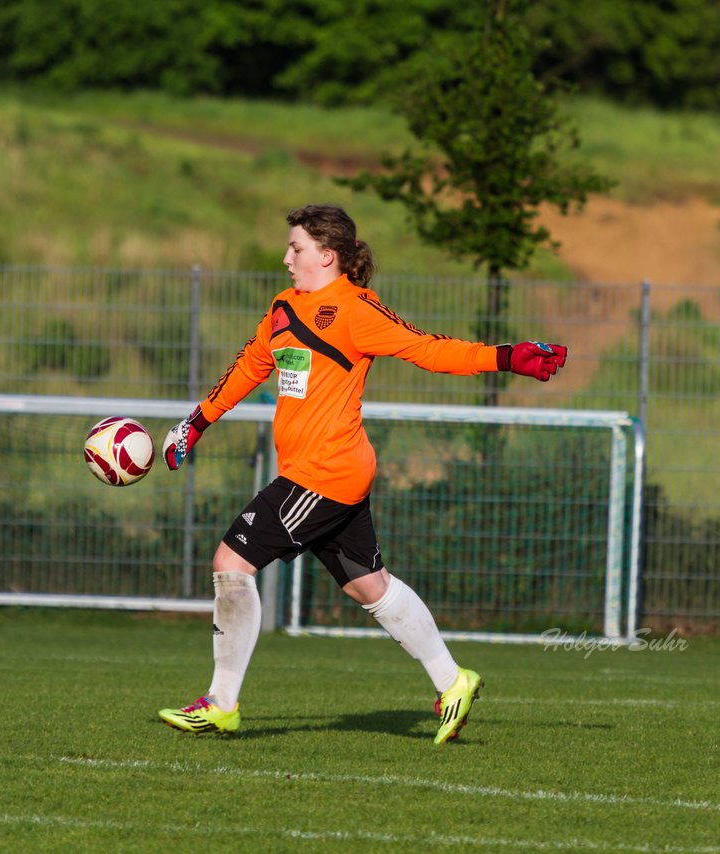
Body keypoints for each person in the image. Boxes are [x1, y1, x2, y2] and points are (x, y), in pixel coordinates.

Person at [157, 203, 566, 744]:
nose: (286, 259)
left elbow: (428, 349)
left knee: (231, 560)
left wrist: (507, 357)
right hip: (321, 472)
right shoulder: (284, 307)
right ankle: (453, 680)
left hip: (325, 472)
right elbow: (250, 364)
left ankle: (221, 703)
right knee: (369, 586)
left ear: (328, 257)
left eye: (296, 249)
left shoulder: (356, 310)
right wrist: (196, 422)